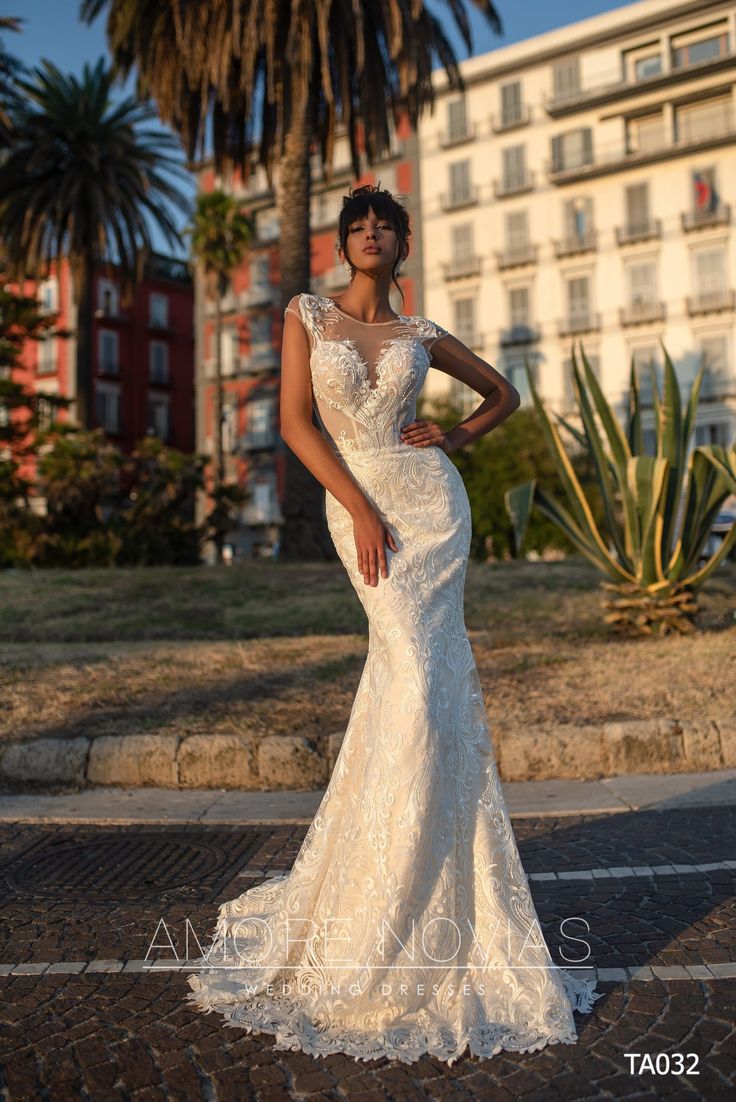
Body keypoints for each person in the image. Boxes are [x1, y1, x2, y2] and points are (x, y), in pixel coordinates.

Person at [186, 183, 601, 1064]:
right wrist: (360, 507)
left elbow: (503, 394)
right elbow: (297, 426)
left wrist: (455, 438)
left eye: (385, 225)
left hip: (435, 511)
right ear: (343, 245)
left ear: (403, 244)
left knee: (423, 690)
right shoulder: (308, 313)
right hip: (360, 505)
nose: (370, 234)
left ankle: (435, 891)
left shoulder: (419, 335)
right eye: (357, 226)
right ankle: (377, 898)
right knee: (410, 679)